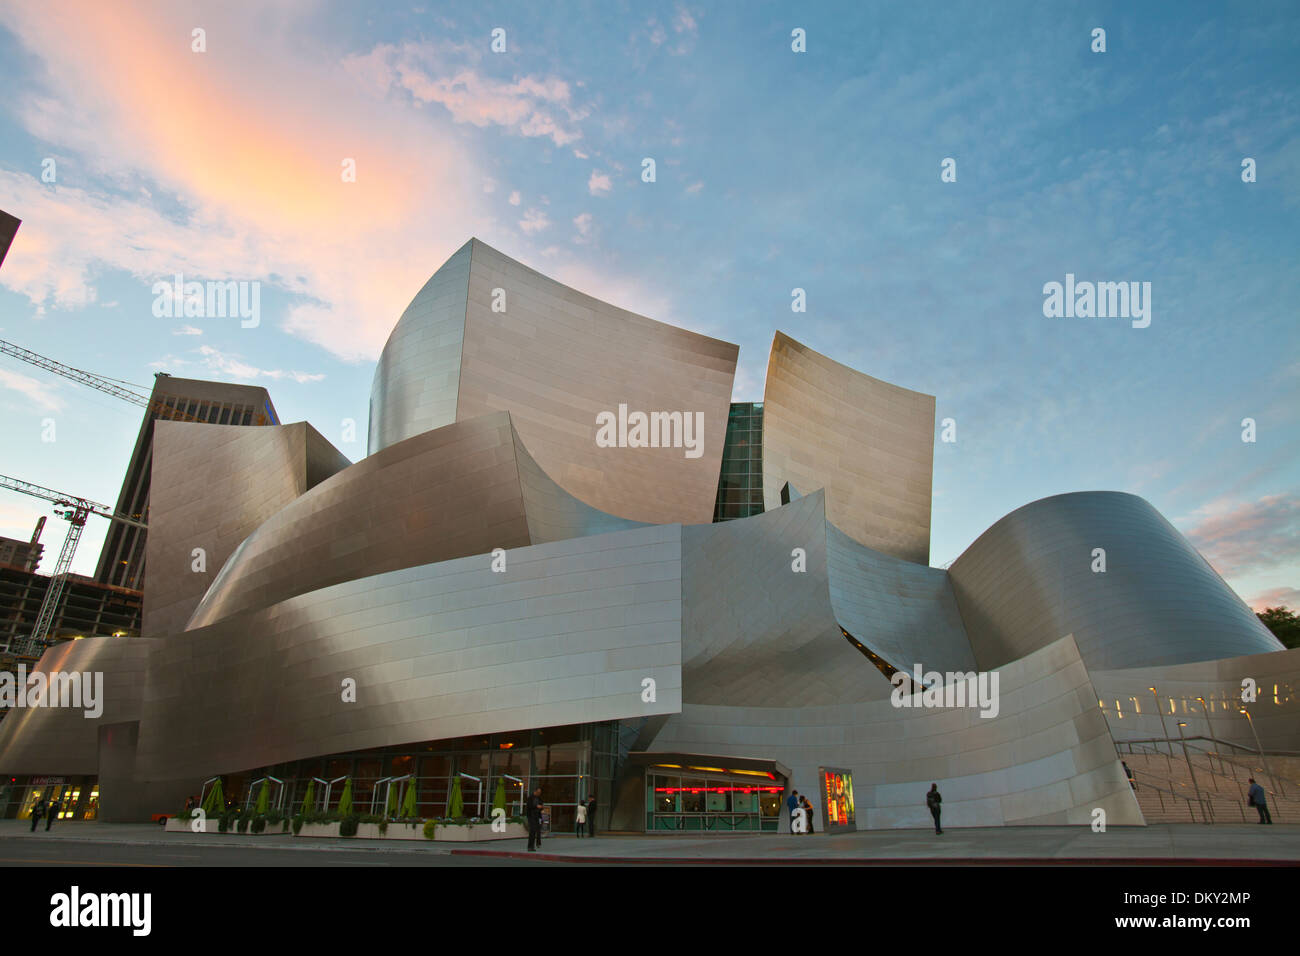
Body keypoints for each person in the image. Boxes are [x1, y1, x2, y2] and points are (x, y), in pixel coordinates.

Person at [525, 787, 544, 851]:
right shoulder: (530, 798)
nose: (539, 794)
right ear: (535, 791)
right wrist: (536, 806)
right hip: (531, 816)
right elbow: (529, 806)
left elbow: (541, 805)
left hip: (538, 816)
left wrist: (541, 807)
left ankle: (538, 843)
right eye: (538, 792)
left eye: (540, 793)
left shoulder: (539, 798)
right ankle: (530, 846)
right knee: (532, 830)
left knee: (538, 829)